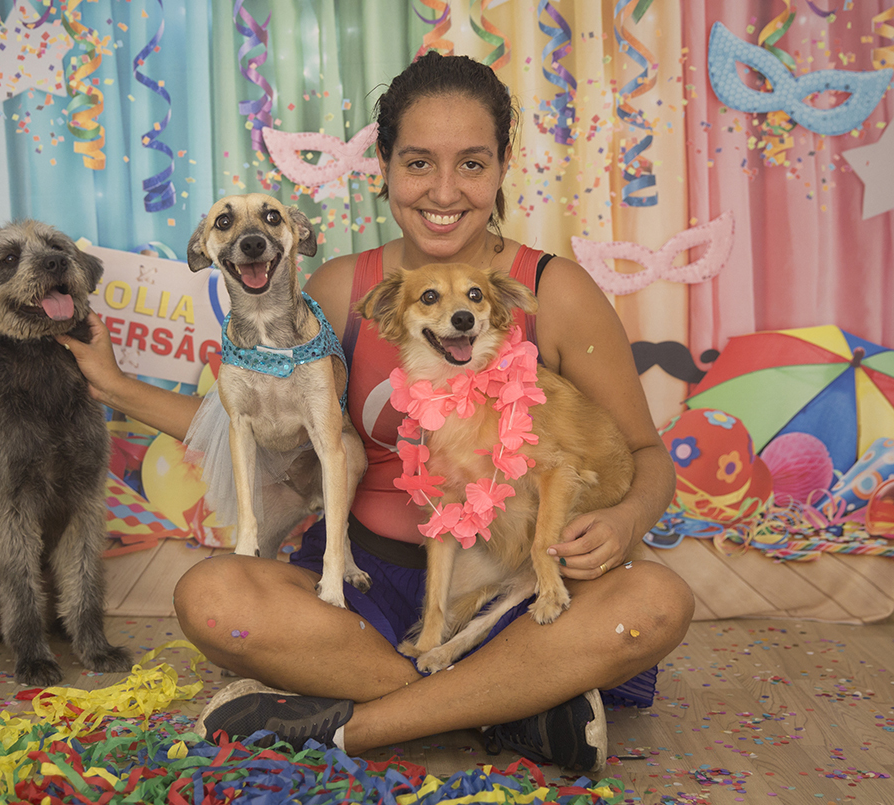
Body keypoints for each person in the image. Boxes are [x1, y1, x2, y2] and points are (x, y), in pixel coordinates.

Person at [59, 52, 694, 773]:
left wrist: (622, 521)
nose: (445, 190)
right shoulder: (342, 289)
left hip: (514, 583)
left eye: (473, 164)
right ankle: (518, 701)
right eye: (419, 162)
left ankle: (350, 727)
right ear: (384, 166)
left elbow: (645, 454)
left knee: (656, 600)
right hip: (371, 589)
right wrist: (110, 386)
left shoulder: (553, 289)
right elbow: (247, 421)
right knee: (209, 596)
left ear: (503, 166)